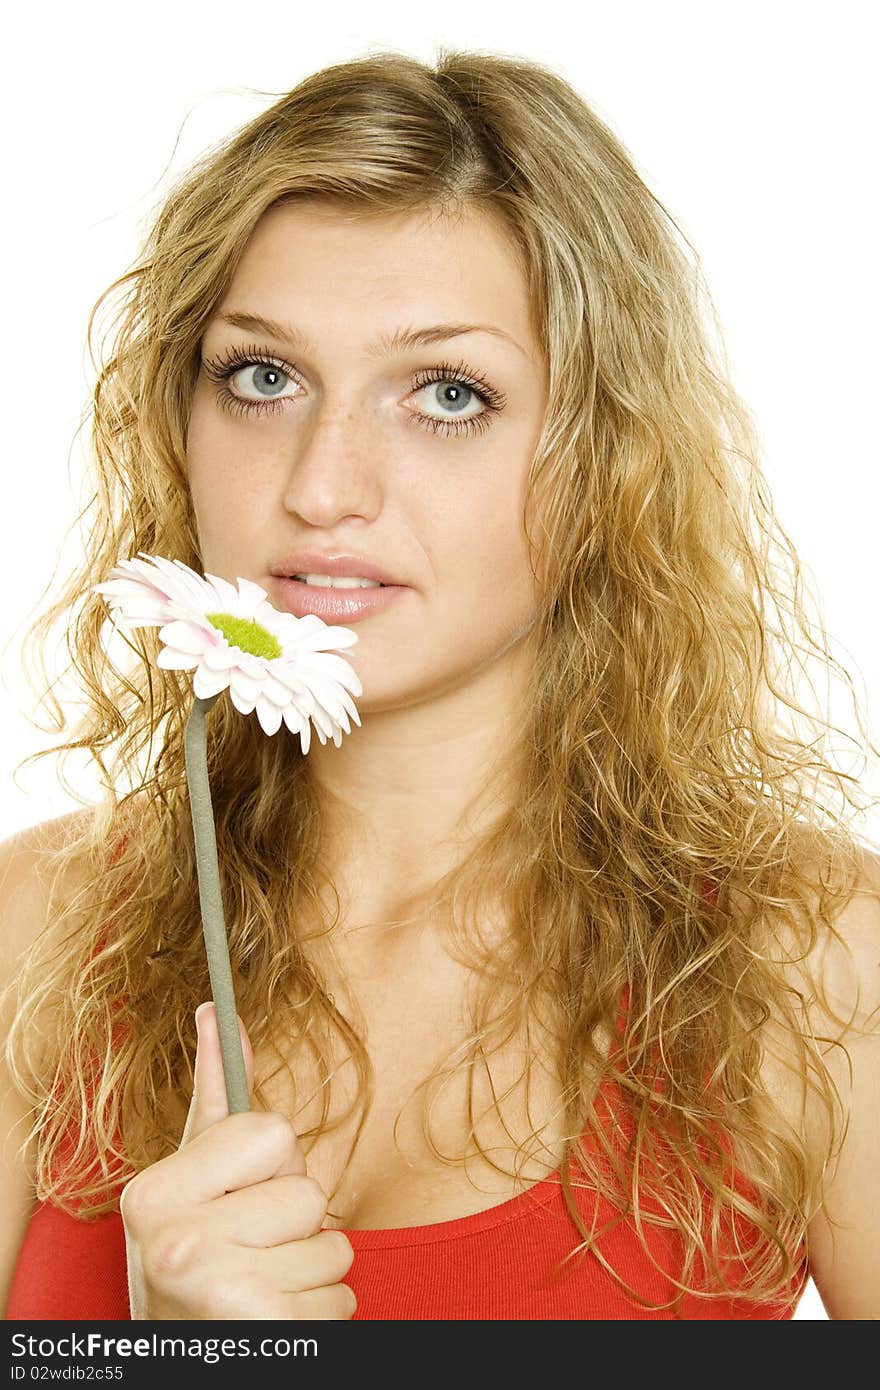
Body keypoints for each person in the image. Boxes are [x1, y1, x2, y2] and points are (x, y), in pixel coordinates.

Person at [2, 47, 879, 1322]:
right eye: (262, 376)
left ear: (604, 456)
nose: (320, 485)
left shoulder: (818, 970)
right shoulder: (33, 936)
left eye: (447, 394)